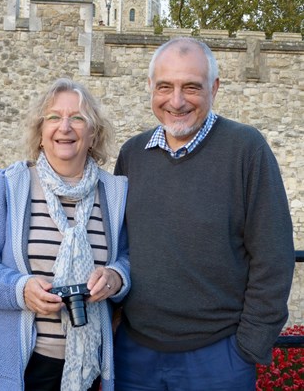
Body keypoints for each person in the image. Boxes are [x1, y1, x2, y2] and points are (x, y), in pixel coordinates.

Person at [113, 37, 295, 390]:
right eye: (165, 86)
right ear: (150, 87)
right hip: (134, 356)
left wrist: (248, 347)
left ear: (214, 87)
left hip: (218, 359)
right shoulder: (133, 154)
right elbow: (117, 245)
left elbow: (273, 255)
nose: (176, 101)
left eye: (191, 87)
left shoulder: (246, 150)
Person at [0, 78, 130, 391]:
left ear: (93, 134)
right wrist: (20, 290)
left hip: (91, 367)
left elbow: (131, 259)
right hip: (23, 365)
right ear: (40, 133)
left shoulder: (114, 193)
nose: (65, 127)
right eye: (53, 117)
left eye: (77, 117)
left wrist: (115, 277)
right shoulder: (11, 185)